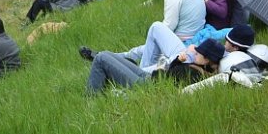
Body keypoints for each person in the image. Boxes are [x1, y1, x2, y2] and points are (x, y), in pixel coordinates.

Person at [86, 31, 225, 94]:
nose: (194, 53)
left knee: (102, 57)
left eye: (198, 53)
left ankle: (91, 97)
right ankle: (102, 84)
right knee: (109, 55)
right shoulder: (199, 69)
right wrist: (178, 60)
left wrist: (161, 68)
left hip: (144, 86)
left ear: (206, 59)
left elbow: (165, 84)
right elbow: (171, 75)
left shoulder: (192, 73)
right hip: (148, 78)